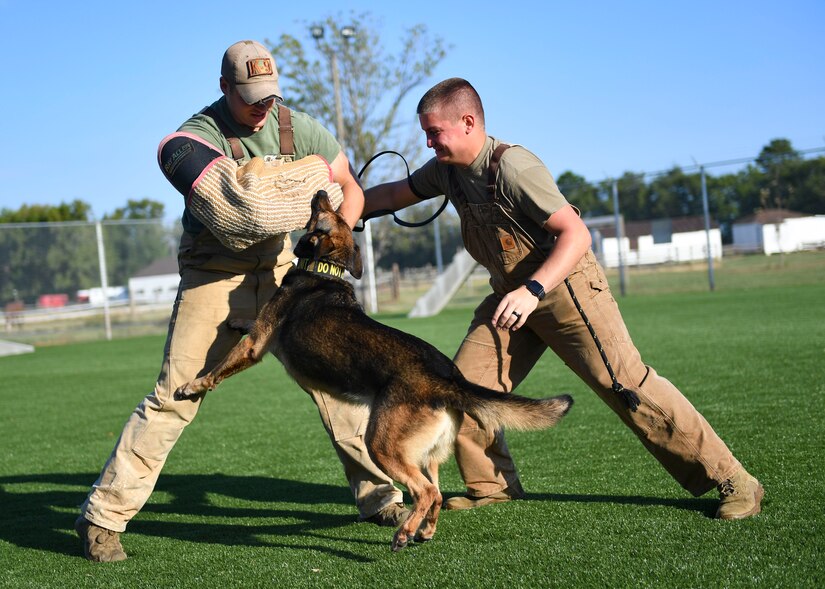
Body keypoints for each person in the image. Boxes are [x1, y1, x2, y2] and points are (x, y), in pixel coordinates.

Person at [363, 77, 763, 520]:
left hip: (564, 290)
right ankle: (492, 487)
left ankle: (733, 481)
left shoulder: (515, 168)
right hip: (511, 296)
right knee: (463, 390)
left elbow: (576, 232)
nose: (428, 141)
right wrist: (344, 204)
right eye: (426, 132)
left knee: (627, 385)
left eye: (434, 131)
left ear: (468, 122)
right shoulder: (446, 171)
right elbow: (395, 193)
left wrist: (533, 290)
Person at [75, 40, 407, 563]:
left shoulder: (302, 128)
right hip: (214, 273)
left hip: (283, 272)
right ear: (225, 87)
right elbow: (239, 211)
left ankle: (381, 497)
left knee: (339, 385)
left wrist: (340, 226)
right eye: (250, 95)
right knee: (175, 397)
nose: (263, 106)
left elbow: (347, 186)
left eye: (270, 95)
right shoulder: (198, 135)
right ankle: (102, 519)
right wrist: (302, 186)